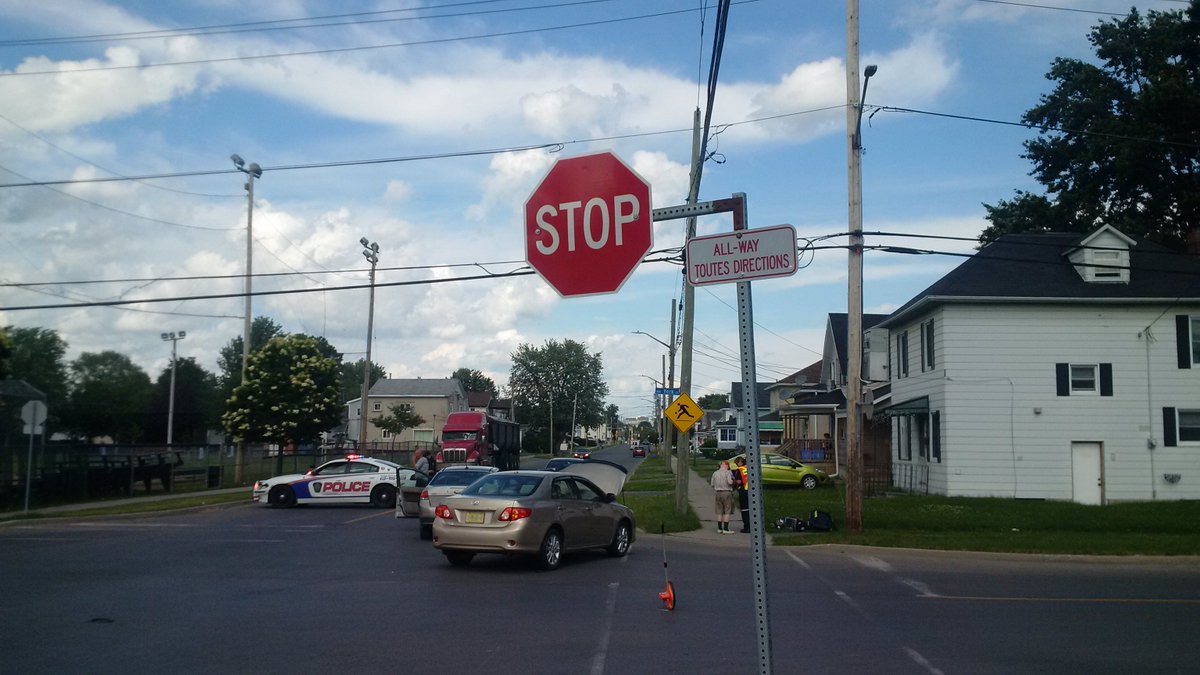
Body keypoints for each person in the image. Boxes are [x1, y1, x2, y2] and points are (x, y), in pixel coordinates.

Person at [709, 460, 737, 534]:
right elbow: (730, 482)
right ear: (727, 466)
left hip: (718, 493)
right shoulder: (728, 472)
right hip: (727, 492)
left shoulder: (715, 473)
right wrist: (734, 482)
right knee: (727, 510)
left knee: (719, 511)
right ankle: (726, 528)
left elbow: (712, 484)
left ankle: (719, 528)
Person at [733, 456, 751, 533]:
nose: (737, 465)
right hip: (752, 491)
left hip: (743, 491)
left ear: (740, 462)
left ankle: (747, 527)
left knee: (745, 509)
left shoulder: (740, 470)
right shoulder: (750, 468)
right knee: (752, 509)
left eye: (737, 463)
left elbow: (739, 481)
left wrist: (733, 481)